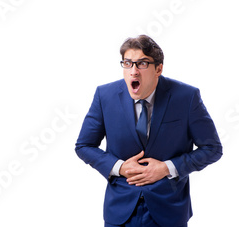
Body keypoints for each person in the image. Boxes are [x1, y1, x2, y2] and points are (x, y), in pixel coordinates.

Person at [75, 35, 222, 227]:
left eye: (142, 64)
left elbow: (212, 148)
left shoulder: (187, 97)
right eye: (128, 63)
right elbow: (84, 145)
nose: (133, 72)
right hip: (120, 212)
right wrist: (119, 167)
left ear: (158, 69)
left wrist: (167, 168)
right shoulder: (105, 96)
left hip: (169, 211)